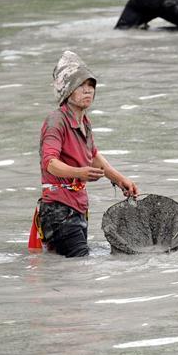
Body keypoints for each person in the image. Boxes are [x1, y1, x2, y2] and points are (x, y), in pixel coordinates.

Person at [37, 51, 139, 257]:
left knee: (72, 267)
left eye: (91, 86)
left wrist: (121, 180)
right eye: (81, 86)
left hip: (77, 206)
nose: (88, 91)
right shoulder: (56, 121)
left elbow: (93, 156)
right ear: (67, 91)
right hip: (58, 209)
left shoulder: (84, 121)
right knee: (81, 264)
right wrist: (79, 172)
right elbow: (50, 163)